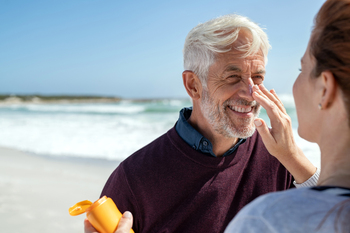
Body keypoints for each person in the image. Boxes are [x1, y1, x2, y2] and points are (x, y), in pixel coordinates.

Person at [85, 14, 319, 233]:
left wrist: (292, 157)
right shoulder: (134, 179)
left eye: (258, 77)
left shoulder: (279, 157)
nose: (250, 93)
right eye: (232, 77)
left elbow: (335, 218)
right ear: (193, 85)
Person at [224, 0, 350, 232]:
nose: (251, 91)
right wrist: (292, 157)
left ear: (325, 88)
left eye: (302, 70)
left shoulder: (265, 221)